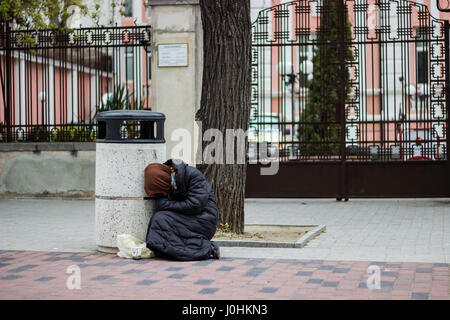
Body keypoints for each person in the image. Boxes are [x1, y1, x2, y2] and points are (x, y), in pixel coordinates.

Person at [144, 158, 220, 261]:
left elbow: (195, 205)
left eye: (162, 191)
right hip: (186, 217)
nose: (163, 194)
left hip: (204, 219)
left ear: (163, 181)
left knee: (162, 218)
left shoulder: (192, 175)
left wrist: (167, 205)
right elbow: (163, 205)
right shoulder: (169, 181)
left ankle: (208, 248)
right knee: (159, 219)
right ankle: (162, 250)